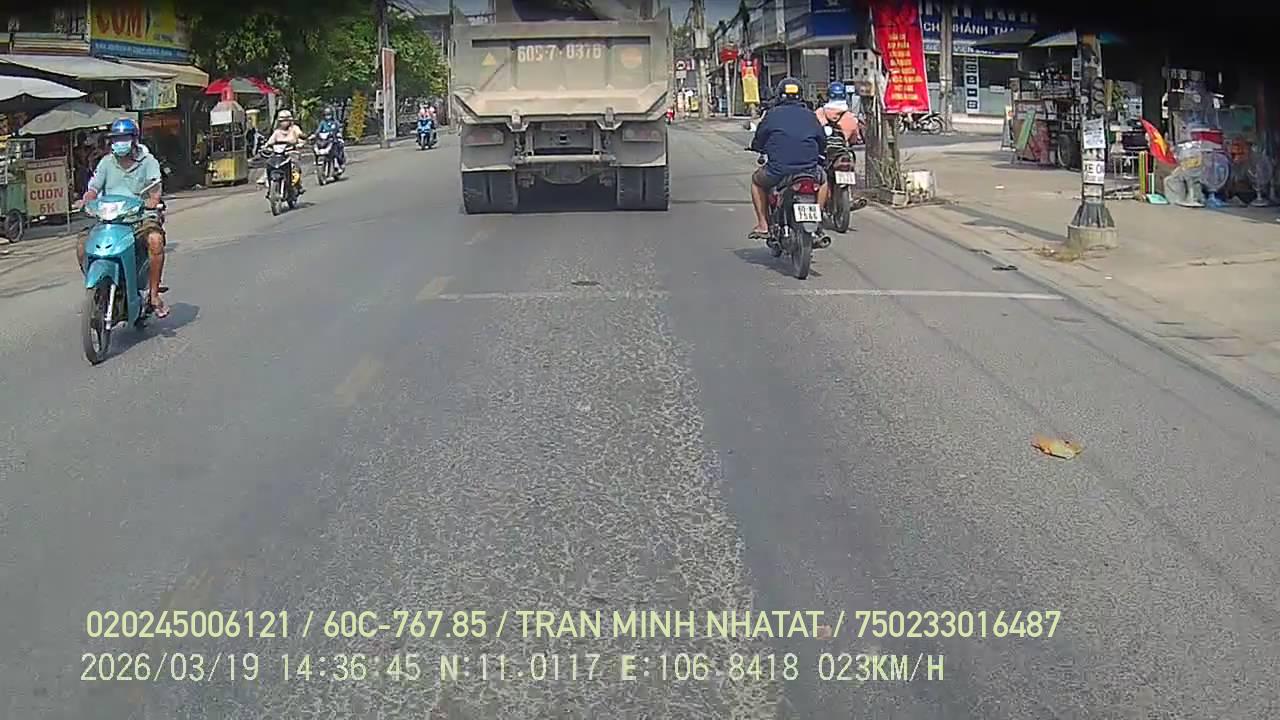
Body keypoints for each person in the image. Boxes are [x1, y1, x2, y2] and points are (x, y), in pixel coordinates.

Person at [74, 118, 170, 318]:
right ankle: (97, 287)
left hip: (140, 217)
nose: (120, 143)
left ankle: (153, 295)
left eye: (124, 138)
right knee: (83, 244)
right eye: (116, 139)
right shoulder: (106, 162)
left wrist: (151, 201)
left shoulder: (148, 162)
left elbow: (155, 192)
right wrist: (87, 199)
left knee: (155, 241)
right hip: (111, 219)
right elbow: (94, 187)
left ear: (134, 139)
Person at [747, 77, 830, 247]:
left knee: (756, 182)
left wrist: (756, 147)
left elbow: (759, 138)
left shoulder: (772, 114)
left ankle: (763, 224)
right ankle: (818, 219)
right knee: (823, 181)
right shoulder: (810, 115)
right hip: (809, 170)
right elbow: (822, 140)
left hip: (778, 171)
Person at [262, 109, 306, 194]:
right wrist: (265, 147)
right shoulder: (277, 132)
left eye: (286, 120)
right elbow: (270, 142)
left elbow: (300, 136)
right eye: (282, 121)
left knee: (294, 166)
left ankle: (298, 184)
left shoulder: (294, 129)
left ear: (290, 120)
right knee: (270, 163)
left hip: (291, 152)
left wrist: (301, 141)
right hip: (278, 154)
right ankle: (267, 181)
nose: (284, 123)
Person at [816, 81, 860, 146]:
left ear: (828, 96)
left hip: (822, 150)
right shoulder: (851, 118)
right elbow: (854, 140)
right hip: (841, 150)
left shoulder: (818, 113)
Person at [313, 106, 346, 171]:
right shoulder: (322, 122)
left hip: (333, 139)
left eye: (329, 115)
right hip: (324, 140)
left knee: (337, 148)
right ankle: (317, 162)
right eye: (326, 115)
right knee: (316, 146)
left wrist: (338, 134)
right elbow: (318, 130)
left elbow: (338, 129)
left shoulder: (335, 122)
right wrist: (315, 135)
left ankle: (339, 164)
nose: (327, 117)